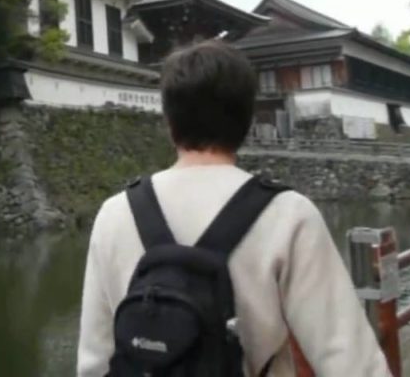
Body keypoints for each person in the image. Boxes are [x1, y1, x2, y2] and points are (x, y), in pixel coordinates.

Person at [77, 41, 391, 376]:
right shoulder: (288, 213)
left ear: (169, 122)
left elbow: (95, 359)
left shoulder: (116, 211)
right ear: (247, 121)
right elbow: (348, 358)